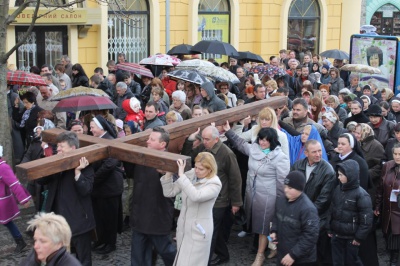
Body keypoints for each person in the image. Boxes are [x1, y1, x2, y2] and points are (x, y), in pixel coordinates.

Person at [223, 123, 289, 266]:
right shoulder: (254, 149)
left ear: (273, 141)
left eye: (266, 140)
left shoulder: (280, 157)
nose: (262, 142)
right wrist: (228, 131)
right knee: (260, 225)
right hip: (252, 194)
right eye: (261, 139)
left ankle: (260, 255)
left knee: (264, 227)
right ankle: (274, 247)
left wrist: (280, 203)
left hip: (269, 197)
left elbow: (282, 183)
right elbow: (240, 144)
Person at [181, 126, 243, 265]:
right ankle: (222, 254)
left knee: (209, 233)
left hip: (219, 200)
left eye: (207, 139)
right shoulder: (203, 149)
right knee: (212, 230)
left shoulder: (226, 154)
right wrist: (190, 140)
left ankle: (204, 261)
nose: (204, 141)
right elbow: (187, 158)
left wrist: (236, 202)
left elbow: (235, 178)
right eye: (203, 138)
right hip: (203, 196)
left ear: (216, 139)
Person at [37, 131, 95, 265]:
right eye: (58, 147)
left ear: (73, 148)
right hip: (59, 224)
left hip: (79, 223)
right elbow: (40, 180)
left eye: (62, 146)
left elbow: (86, 190)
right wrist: (48, 162)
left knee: (83, 259)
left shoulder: (86, 165)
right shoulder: (57, 164)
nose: (59, 149)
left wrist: (77, 173)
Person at [160, 153, 222, 266]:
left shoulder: (215, 183)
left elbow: (196, 196)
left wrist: (181, 175)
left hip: (199, 232)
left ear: (210, 170)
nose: (197, 170)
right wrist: (169, 173)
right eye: (196, 167)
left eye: (201, 169)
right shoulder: (191, 174)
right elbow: (169, 192)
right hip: (183, 229)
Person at [130, 127, 176, 266]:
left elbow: (176, 187)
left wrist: (166, 174)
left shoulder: (171, 162)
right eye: (148, 138)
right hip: (140, 217)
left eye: (152, 139)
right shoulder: (142, 157)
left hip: (158, 217)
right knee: (138, 257)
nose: (147, 141)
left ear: (162, 145)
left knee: (167, 252)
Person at [291, 140, 336, 265]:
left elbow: (324, 199)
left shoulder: (328, 171)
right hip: (298, 215)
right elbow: (290, 188)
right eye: (314, 151)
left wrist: (306, 214)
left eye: (320, 150)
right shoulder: (297, 165)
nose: (318, 154)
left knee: (314, 254)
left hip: (317, 218)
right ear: (306, 153)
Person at [328, 159, 373, 266]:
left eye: (341, 175)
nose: (338, 177)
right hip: (337, 236)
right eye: (338, 174)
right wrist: (329, 228)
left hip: (351, 238)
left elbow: (366, 220)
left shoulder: (361, 195)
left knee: (352, 262)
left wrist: (358, 237)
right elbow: (331, 210)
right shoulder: (338, 189)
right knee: (337, 262)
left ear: (350, 175)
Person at [89, 115, 124, 255]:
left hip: (110, 187)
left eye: (92, 127)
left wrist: (93, 179)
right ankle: (101, 240)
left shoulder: (110, 140)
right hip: (99, 187)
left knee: (110, 217)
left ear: (101, 128)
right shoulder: (96, 139)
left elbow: (109, 165)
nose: (90, 129)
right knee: (100, 216)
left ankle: (110, 243)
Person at [270, 171, 320, 266]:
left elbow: (311, 236)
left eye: (290, 188)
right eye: (285, 186)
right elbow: (276, 217)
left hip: (301, 259)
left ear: (300, 189)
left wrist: (293, 255)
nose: (286, 190)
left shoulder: (308, 209)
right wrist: (274, 231)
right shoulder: (281, 200)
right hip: (283, 253)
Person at [0, 145, 31, 254]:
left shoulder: (3, 167)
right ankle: (20, 241)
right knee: (7, 223)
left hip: (2, 200)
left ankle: (20, 241)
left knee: (7, 223)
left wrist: (23, 199)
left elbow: (14, 184)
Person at [375, 143, 400, 266]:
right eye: (395, 154)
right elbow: (380, 187)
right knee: (387, 233)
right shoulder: (387, 166)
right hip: (388, 208)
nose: (397, 156)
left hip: (398, 209)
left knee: (396, 235)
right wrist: (377, 206)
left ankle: (394, 260)